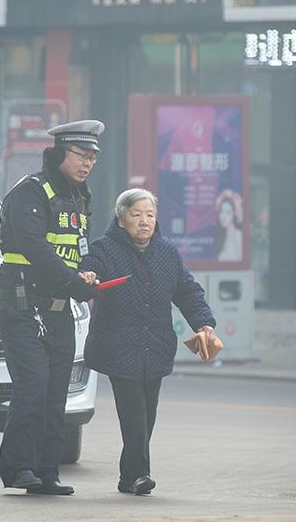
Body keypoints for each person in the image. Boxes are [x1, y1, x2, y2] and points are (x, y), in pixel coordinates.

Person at [0, 119, 105, 495]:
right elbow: (35, 247)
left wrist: (87, 274)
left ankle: (47, 471)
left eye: (92, 157)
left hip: (59, 308)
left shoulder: (80, 196)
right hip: (23, 305)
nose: (87, 163)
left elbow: (79, 248)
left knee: (57, 392)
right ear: (58, 154)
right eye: (81, 155)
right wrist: (74, 282)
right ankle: (19, 468)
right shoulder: (31, 193)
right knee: (33, 386)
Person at [80, 188, 217, 496]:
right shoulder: (104, 248)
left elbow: (188, 291)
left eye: (150, 215)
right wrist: (86, 275)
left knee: (147, 414)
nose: (144, 222)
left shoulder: (167, 252)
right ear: (121, 218)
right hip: (118, 344)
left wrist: (204, 323)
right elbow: (89, 266)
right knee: (133, 413)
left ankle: (128, 477)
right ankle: (141, 474)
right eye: (137, 215)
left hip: (155, 345)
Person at [215, 189, 243, 262]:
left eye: (228, 212)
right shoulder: (221, 237)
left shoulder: (238, 235)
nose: (224, 216)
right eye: (222, 211)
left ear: (234, 214)